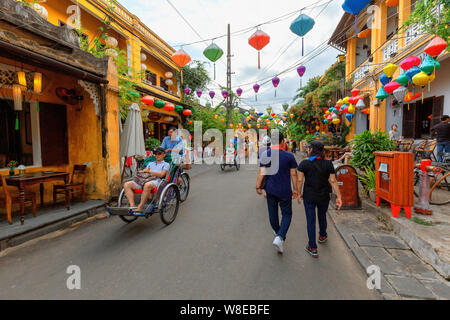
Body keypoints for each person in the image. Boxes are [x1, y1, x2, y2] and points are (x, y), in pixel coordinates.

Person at [297, 141, 342, 258]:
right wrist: (339, 196)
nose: (307, 150)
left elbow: (300, 180)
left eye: (309, 148)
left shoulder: (304, 164)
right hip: (323, 195)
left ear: (312, 149)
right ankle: (322, 236)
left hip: (309, 196)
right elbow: (333, 181)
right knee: (322, 215)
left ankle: (312, 247)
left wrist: (298, 193)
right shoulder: (328, 164)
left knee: (310, 220)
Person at [256, 132, 298, 254]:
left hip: (271, 189)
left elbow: (261, 172)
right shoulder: (289, 156)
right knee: (287, 214)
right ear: (282, 141)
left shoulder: (265, 154)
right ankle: (280, 237)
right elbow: (293, 174)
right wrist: (295, 189)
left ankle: (278, 233)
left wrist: (258, 187)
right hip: (285, 190)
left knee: (272, 213)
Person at [123, 147, 170, 213]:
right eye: (155, 154)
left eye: (159, 154)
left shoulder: (166, 164)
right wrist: (142, 171)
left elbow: (162, 175)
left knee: (147, 185)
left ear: (164, 155)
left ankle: (140, 207)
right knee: (126, 184)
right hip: (145, 179)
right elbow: (146, 173)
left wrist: (150, 171)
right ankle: (132, 206)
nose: (157, 155)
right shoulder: (150, 163)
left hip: (157, 180)